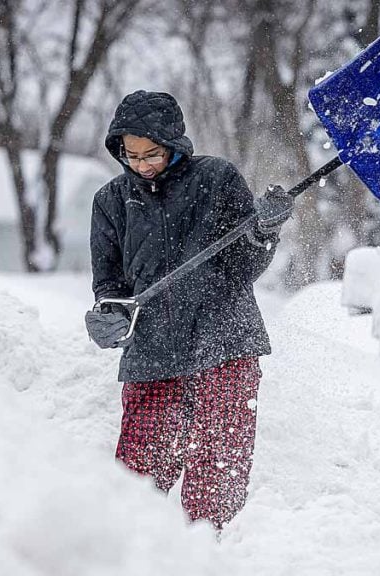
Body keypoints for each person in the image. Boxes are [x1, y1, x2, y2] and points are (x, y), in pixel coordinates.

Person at [85, 90, 294, 531]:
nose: (141, 164)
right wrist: (109, 316)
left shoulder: (215, 179)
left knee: (214, 483)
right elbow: (110, 285)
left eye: (153, 154)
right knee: (134, 484)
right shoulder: (110, 202)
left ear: (174, 144)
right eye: (131, 154)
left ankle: (207, 558)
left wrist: (264, 229)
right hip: (152, 353)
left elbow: (244, 267)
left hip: (224, 343)